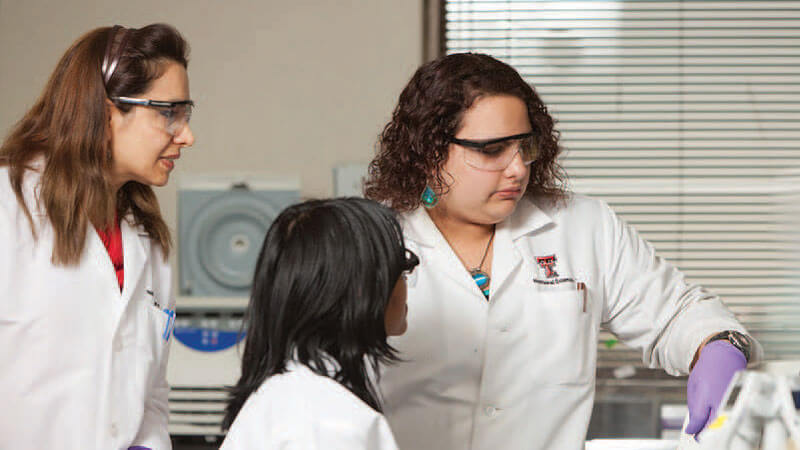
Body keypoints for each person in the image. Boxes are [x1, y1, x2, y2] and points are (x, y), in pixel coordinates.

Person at [364, 52, 762, 449]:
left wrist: (719, 345)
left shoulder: (582, 226)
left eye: (526, 146)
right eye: (492, 150)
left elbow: (677, 313)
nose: (518, 168)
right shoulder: (370, 241)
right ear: (430, 153)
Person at [0, 24, 194, 449]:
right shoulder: (8, 209)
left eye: (186, 113)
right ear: (106, 112)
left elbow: (152, 396)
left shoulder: (149, 239)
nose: (186, 135)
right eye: (168, 113)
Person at [220, 198, 419, 449]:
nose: (406, 282)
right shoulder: (325, 421)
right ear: (362, 288)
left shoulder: (297, 396)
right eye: (401, 268)